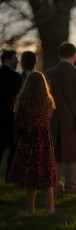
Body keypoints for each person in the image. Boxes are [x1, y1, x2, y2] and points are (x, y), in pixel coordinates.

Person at [46, 42, 76, 194]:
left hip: (53, 120)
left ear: (59, 55)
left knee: (56, 155)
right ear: (74, 55)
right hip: (73, 121)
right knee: (73, 156)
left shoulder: (49, 73)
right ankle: (72, 186)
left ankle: (54, 185)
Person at [8, 71, 57, 214]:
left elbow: (18, 123)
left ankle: (30, 208)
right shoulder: (48, 101)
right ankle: (51, 208)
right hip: (44, 139)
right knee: (47, 174)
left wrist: (18, 139)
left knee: (30, 175)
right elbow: (48, 120)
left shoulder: (23, 102)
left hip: (28, 139)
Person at [0, 49, 22, 182]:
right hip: (10, 117)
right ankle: (10, 176)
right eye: (15, 58)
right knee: (13, 147)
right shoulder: (15, 77)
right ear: (8, 59)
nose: (17, 61)